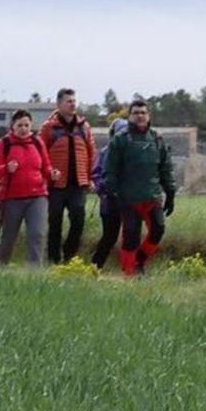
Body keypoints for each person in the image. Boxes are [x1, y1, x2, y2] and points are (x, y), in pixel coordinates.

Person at [103, 100, 175, 276]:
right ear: (130, 116)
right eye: (136, 113)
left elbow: (165, 168)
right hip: (128, 198)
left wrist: (170, 192)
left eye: (143, 112)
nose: (140, 116)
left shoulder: (157, 139)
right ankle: (129, 274)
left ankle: (139, 262)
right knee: (131, 237)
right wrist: (111, 192)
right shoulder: (120, 140)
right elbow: (110, 169)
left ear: (148, 115)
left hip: (152, 196)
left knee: (158, 229)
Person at [0, 110, 56, 266]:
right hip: (12, 197)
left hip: (37, 195)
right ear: (12, 126)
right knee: (8, 236)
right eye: (19, 125)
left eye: (27, 125)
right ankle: (0, 267)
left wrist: (52, 173)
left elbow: (46, 166)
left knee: (37, 234)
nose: (23, 129)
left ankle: (34, 271)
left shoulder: (37, 143)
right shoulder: (4, 144)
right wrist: (6, 168)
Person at [39, 88, 96, 264]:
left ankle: (69, 255)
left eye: (74, 101)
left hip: (78, 183)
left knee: (78, 220)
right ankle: (53, 259)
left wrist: (90, 177)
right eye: (68, 101)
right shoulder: (49, 127)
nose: (73, 104)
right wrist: (47, 174)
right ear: (59, 104)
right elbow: (40, 153)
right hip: (56, 184)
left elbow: (91, 153)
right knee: (54, 223)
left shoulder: (84, 127)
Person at [90, 118, 129, 269]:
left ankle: (130, 269)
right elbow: (96, 174)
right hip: (109, 202)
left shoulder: (134, 154)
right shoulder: (105, 153)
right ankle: (95, 267)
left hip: (129, 201)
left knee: (131, 236)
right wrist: (103, 188)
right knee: (109, 237)